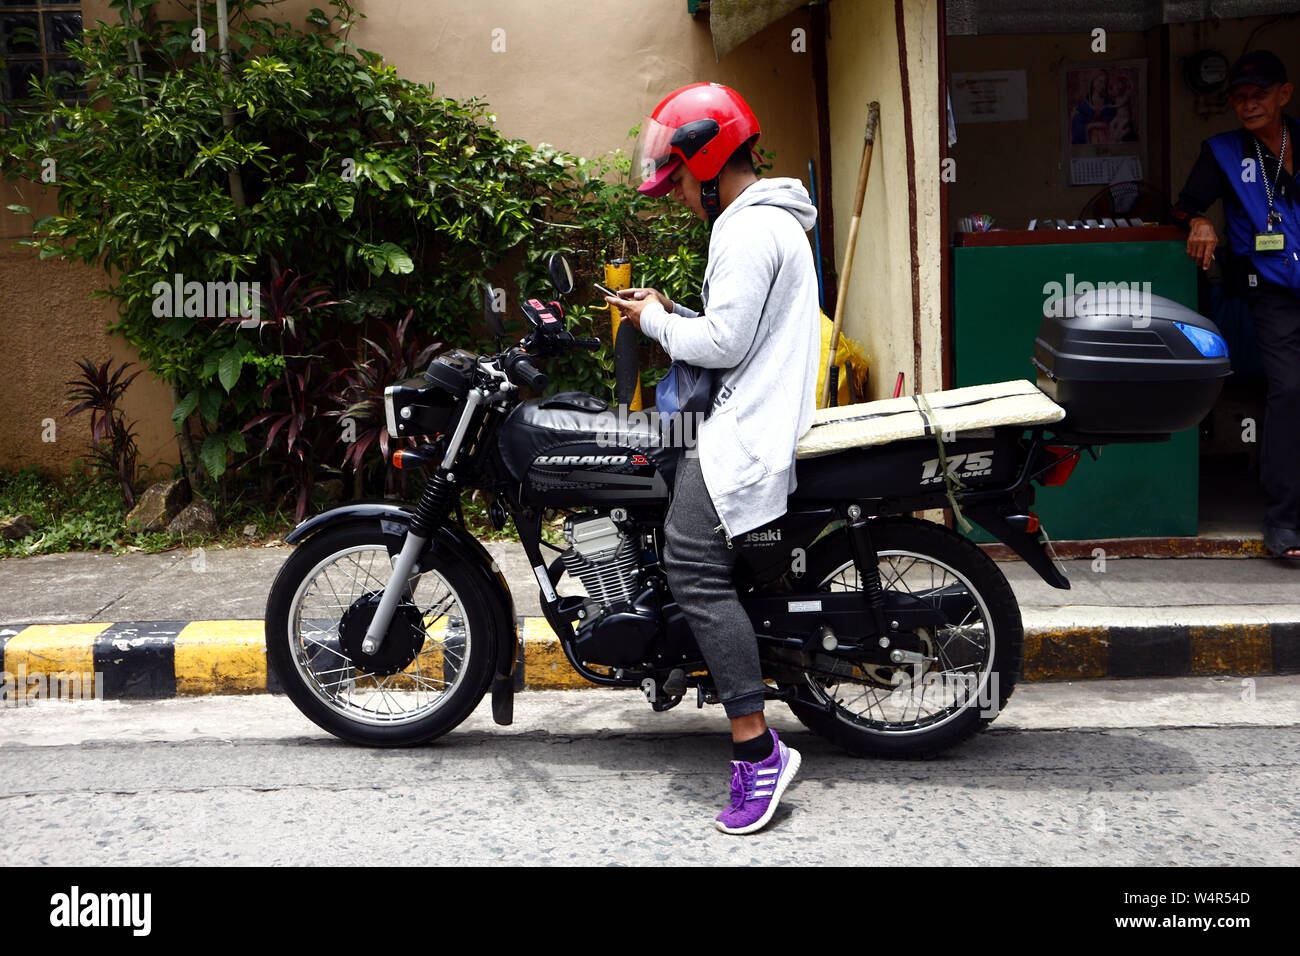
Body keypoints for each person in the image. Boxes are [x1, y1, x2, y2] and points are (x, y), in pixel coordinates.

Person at [604, 82, 821, 833]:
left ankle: (758, 753)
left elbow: (725, 347)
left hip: (749, 426)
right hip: (753, 408)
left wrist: (660, 322)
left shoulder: (746, 229)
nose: (678, 202)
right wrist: (672, 315)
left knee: (689, 562)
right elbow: (737, 329)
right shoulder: (766, 220)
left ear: (706, 164)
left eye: (679, 187)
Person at [1173, 50, 1300, 560]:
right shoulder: (1223, 151)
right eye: (1239, 98)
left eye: (1259, 95)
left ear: (1284, 94)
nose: (1248, 105)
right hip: (1272, 294)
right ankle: (1286, 520)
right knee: (1290, 391)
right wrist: (1198, 223)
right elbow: (1185, 204)